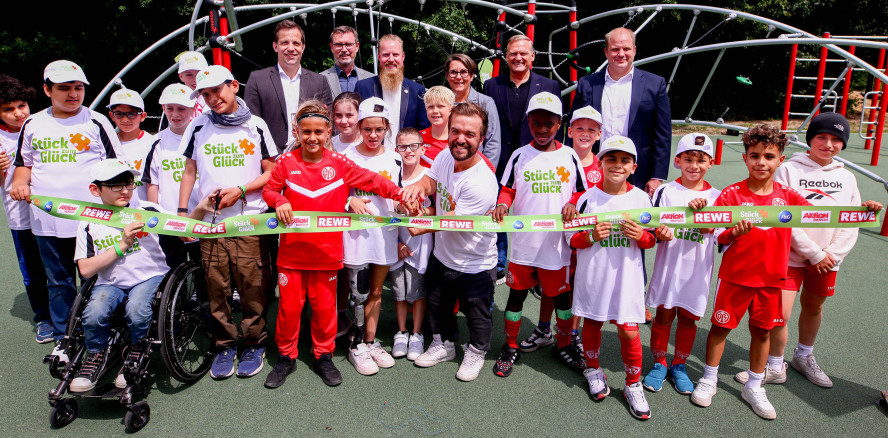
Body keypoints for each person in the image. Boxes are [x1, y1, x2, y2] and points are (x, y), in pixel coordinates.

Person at [262, 100, 406, 388]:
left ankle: (323, 356)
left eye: (318, 131)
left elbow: (374, 181)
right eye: (306, 132)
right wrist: (278, 200)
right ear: (297, 132)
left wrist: (401, 194)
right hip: (291, 254)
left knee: (325, 308)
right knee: (289, 310)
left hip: (326, 254)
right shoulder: (286, 162)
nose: (312, 138)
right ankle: (286, 357)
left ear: (328, 132)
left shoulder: (339, 163)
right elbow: (269, 189)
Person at [734, 113, 882, 389]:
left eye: (836, 140)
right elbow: (783, 215)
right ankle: (775, 365)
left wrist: (832, 255)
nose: (828, 144)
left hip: (828, 260)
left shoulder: (847, 177)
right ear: (810, 139)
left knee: (814, 307)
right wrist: (814, 253)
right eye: (821, 137)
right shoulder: (789, 169)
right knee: (780, 313)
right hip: (789, 256)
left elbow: (850, 223)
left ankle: (803, 356)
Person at [690, 125, 809, 420]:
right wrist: (731, 231)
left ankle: (754, 385)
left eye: (769, 156)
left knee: (762, 331)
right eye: (754, 155)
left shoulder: (788, 196)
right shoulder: (732, 194)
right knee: (720, 328)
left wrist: (863, 210)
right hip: (735, 277)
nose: (761, 162)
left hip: (771, 279)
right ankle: (709, 378)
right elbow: (713, 232)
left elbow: (824, 215)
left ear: (780, 160)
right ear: (745, 158)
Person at [11, 60, 120, 357]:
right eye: (64, 88)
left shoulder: (96, 121)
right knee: (59, 282)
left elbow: (117, 167)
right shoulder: (32, 124)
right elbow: (23, 165)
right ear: (47, 90)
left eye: (78, 87)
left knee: (97, 280)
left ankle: (103, 331)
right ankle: (65, 336)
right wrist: (20, 183)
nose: (73, 94)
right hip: (46, 222)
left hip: (93, 221)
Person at [177, 65, 277, 380]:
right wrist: (182, 213)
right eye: (205, 94)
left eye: (217, 90)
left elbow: (272, 172)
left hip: (250, 222)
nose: (212, 98)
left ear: (234, 85)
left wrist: (241, 190)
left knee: (253, 287)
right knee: (216, 288)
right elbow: (189, 171)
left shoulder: (256, 125)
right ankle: (224, 345)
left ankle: (254, 343)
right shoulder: (197, 126)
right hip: (211, 223)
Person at [569, 136, 672, 420]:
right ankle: (593, 370)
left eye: (625, 161)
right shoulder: (586, 198)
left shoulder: (642, 199)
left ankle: (632, 384)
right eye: (611, 159)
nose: (617, 165)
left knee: (629, 330)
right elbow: (571, 240)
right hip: (593, 276)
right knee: (592, 323)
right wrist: (590, 236)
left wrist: (642, 237)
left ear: (634, 167)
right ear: (600, 164)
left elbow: (652, 239)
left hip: (627, 278)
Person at [491, 92, 587, 378]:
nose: (542, 129)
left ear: (559, 124)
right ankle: (510, 345)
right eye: (536, 123)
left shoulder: (569, 155)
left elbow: (582, 192)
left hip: (556, 246)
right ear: (528, 122)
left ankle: (564, 344)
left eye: (549, 123)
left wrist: (573, 203)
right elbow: (508, 189)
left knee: (562, 299)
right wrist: (502, 204)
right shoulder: (520, 155)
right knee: (516, 297)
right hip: (524, 245)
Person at [402, 102, 499, 382]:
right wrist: (417, 188)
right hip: (443, 255)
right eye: (455, 131)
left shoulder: (482, 182)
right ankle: (443, 344)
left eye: (470, 134)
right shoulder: (446, 154)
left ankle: (476, 351)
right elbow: (431, 181)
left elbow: (450, 222)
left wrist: (418, 223)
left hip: (475, 263)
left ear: (481, 138)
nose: (460, 139)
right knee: (437, 304)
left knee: (477, 314)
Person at [69, 160, 169, 392]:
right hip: (110, 282)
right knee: (92, 314)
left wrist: (202, 208)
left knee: (137, 310)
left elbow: (185, 227)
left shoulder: (148, 210)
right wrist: (122, 245)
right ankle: (96, 355)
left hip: (149, 276)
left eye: (128, 184)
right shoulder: (88, 220)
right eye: (116, 185)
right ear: (96, 190)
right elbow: (85, 270)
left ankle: (136, 350)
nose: (125, 190)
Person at [642, 133, 721, 395]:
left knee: (688, 319)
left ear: (711, 163)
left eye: (701, 160)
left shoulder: (717, 196)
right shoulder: (665, 191)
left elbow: (718, 235)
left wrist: (703, 219)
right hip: (669, 267)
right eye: (688, 159)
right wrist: (659, 234)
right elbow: (651, 228)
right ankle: (659, 362)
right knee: (664, 316)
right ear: (677, 161)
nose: (694, 165)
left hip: (697, 271)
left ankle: (679, 365)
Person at [520, 106, 603, 355]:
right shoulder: (558, 156)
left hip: (588, 240)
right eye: (579, 128)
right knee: (552, 286)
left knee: (579, 287)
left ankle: (571, 334)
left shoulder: (604, 165)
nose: (585, 133)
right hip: (557, 240)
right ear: (569, 130)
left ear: (599, 134)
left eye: (591, 129)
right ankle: (544, 329)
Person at [482, 35, 561, 281]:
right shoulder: (491, 86)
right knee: (498, 210)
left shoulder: (549, 86)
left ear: (532, 56)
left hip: (536, 160)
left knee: (535, 212)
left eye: (523, 53)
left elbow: (556, 126)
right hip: (500, 159)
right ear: (506, 56)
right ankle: (500, 262)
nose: (518, 57)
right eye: (513, 53)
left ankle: (539, 263)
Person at [568, 27, 671, 197]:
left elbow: (662, 135)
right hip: (594, 168)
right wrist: (571, 165)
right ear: (606, 52)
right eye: (615, 49)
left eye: (626, 49)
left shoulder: (654, 84)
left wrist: (657, 177)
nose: (621, 54)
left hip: (638, 171)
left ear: (634, 50)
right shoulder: (587, 84)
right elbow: (573, 127)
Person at [341, 97, 403, 376]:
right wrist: (349, 201)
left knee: (377, 291)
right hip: (356, 234)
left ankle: (369, 340)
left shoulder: (395, 158)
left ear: (387, 128)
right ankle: (355, 345)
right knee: (358, 293)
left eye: (379, 129)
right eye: (367, 129)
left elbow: (397, 196)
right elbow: (335, 195)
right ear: (359, 127)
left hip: (384, 235)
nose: (373, 135)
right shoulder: (347, 156)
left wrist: (405, 206)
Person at [0, 74, 50, 343]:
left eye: (21, 105)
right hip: (21, 217)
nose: (18, 113)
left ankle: (74, 311)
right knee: (33, 270)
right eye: (8, 109)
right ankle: (44, 317)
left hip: (55, 213)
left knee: (66, 266)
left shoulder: (42, 126)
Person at [245, 19, 334, 148]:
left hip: (309, 152)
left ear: (303, 47)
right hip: (271, 154)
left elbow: (328, 122)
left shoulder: (319, 81)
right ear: (275, 46)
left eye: (296, 43)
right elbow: (252, 123)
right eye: (284, 43)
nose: (291, 48)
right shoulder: (257, 80)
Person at [143, 83, 201, 268]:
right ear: (163, 108)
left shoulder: (203, 136)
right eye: (170, 108)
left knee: (204, 271)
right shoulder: (156, 141)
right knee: (172, 271)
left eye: (181, 109)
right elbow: (152, 183)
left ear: (193, 108)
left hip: (200, 218)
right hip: (169, 221)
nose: (175, 114)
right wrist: (157, 217)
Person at [388, 128, 433, 361]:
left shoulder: (429, 177)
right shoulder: (392, 177)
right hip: (396, 244)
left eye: (413, 145)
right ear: (396, 150)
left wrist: (423, 212)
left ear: (422, 148)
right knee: (399, 291)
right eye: (403, 147)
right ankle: (401, 331)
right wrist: (395, 242)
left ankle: (417, 334)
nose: (408, 151)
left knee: (417, 291)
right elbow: (385, 212)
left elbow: (439, 208)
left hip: (421, 245)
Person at [355, 34, 430, 149]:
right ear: (379, 57)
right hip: (372, 154)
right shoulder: (363, 87)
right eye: (386, 55)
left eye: (395, 54)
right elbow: (356, 125)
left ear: (403, 56)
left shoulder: (417, 91)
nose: (391, 59)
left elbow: (423, 129)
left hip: (406, 155)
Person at [444, 53, 500, 165]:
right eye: (453, 72)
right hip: (444, 165)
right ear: (447, 76)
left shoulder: (485, 103)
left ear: (472, 75)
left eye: (464, 72)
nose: (458, 77)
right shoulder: (441, 103)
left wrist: (486, 170)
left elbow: (493, 142)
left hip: (474, 167)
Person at [106, 88, 154, 206]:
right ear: (111, 115)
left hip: (142, 210)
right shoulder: (107, 143)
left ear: (143, 116)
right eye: (119, 114)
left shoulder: (153, 143)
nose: (125, 119)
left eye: (132, 114)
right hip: (114, 209)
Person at [321, 26, 375, 98]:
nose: (344, 49)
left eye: (348, 44)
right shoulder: (320, 80)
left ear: (357, 46)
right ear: (332, 47)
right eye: (339, 45)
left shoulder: (372, 79)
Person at [419, 86, 455, 167]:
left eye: (440, 106)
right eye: (430, 107)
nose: (435, 111)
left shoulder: (459, 140)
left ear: (452, 109)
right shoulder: (417, 138)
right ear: (426, 109)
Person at [176, 50, 209, 118]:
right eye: (189, 75)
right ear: (181, 76)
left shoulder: (217, 99)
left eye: (199, 73)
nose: (195, 79)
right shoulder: (174, 100)